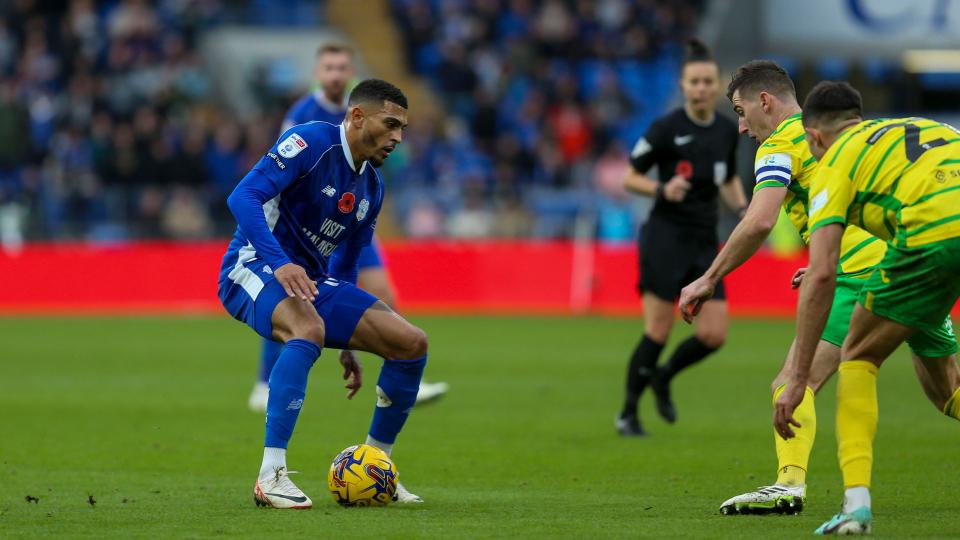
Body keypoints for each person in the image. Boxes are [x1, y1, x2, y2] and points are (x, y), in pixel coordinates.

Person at [677, 63, 960, 519]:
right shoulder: (864, 135)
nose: (743, 126)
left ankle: (790, 485)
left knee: (795, 381)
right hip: (910, 252)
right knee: (947, 390)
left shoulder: (781, 144)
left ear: (764, 100)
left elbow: (760, 219)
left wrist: (710, 277)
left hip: (860, 272)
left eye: (741, 111)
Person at [219, 79, 426, 508]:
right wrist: (281, 262)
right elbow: (243, 197)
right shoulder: (311, 140)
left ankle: (377, 466)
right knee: (307, 327)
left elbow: (347, 266)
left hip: (309, 281)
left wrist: (349, 343)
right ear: (357, 116)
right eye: (390, 125)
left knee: (409, 343)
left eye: (402, 128)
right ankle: (270, 474)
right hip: (252, 265)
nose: (397, 138)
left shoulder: (372, 187)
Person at [773, 81, 960, 535]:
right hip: (931, 233)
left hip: (932, 238)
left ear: (814, 137)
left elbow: (820, 275)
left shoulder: (833, 164)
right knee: (946, 389)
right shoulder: (918, 127)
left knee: (858, 355)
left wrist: (798, 379)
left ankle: (856, 504)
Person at [247, 43, 448, 413]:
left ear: (351, 73)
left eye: (342, 67)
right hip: (310, 216)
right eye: (329, 68)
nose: (336, 74)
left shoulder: (370, 110)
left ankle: (402, 371)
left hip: (350, 214)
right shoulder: (302, 116)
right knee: (289, 293)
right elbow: (278, 171)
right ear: (318, 74)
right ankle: (264, 379)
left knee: (382, 290)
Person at [616, 39, 746, 436]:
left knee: (713, 333)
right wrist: (660, 189)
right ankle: (628, 412)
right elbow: (629, 176)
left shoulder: (727, 130)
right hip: (664, 238)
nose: (702, 88)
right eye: (695, 81)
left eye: (708, 81)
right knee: (658, 330)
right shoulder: (665, 128)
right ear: (683, 85)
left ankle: (665, 376)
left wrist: (745, 210)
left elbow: (726, 178)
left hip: (704, 241)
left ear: (717, 84)